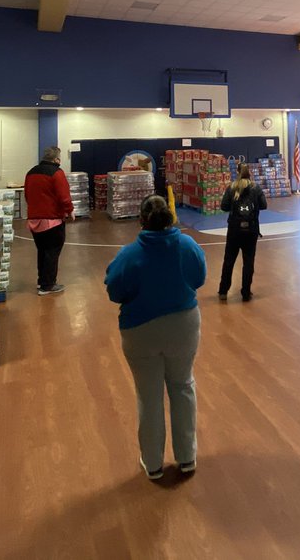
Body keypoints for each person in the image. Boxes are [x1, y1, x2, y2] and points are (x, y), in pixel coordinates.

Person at [105, 194, 207, 481]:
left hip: (140, 331)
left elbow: (114, 291)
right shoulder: (188, 245)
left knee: (148, 396)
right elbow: (199, 278)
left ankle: (152, 463)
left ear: (141, 220)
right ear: (171, 218)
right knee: (183, 385)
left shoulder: (128, 255)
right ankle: (187, 456)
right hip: (183, 326)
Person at [24, 146, 75, 295]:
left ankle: (42, 281)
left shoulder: (31, 172)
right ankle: (48, 285)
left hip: (34, 220)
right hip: (52, 220)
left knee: (42, 251)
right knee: (52, 252)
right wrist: (70, 210)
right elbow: (64, 195)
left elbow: (27, 195)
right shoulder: (57, 173)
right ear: (56, 159)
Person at [218, 163, 268, 301]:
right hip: (251, 230)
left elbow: (224, 206)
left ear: (237, 172)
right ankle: (246, 292)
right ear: (249, 172)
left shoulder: (232, 187)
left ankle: (223, 291)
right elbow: (264, 205)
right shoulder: (256, 188)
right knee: (248, 262)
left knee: (229, 261)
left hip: (234, 230)